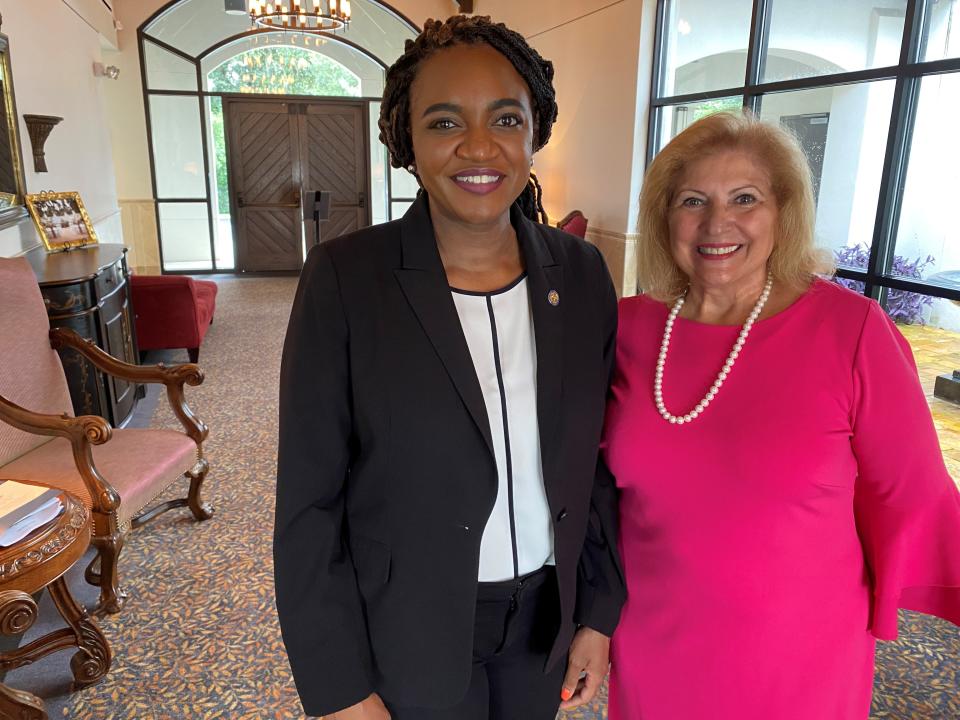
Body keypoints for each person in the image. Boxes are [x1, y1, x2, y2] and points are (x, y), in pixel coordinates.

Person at [275, 15, 625, 720]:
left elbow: (595, 463)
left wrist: (597, 612)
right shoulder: (347, 279)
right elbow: (309, 502)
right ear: (407, 141)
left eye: (505, 117)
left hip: (543, 623)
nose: (477, 146)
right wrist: (338, 685)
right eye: (442, 123)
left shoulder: (582, 273)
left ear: (535, 131)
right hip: (406, 626)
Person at [602, 111, 960, 719]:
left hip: (799, 651)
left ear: (783, 212)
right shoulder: (627, 327)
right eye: (694, 200)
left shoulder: (852, 331)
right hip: (652, 639)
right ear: (666, 217)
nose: (718, 223)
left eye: (745, 199)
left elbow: (910, 492)